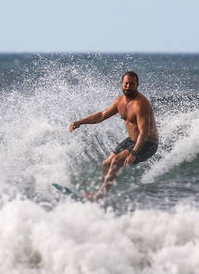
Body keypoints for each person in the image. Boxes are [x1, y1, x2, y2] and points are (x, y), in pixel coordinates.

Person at [68, 71, 159, 199]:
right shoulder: (119, 102)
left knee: (116, 161)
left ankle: (99, 195)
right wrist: (80, 122)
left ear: (137, 85)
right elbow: (102, 115)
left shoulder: (140, 104)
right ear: (121, 84)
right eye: (126, 83)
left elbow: (144, 132)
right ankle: (101, 193)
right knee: (106, 163)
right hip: (132, 140)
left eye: (132, 84)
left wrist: (133, 153)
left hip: (148, 143)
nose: (128, 86)